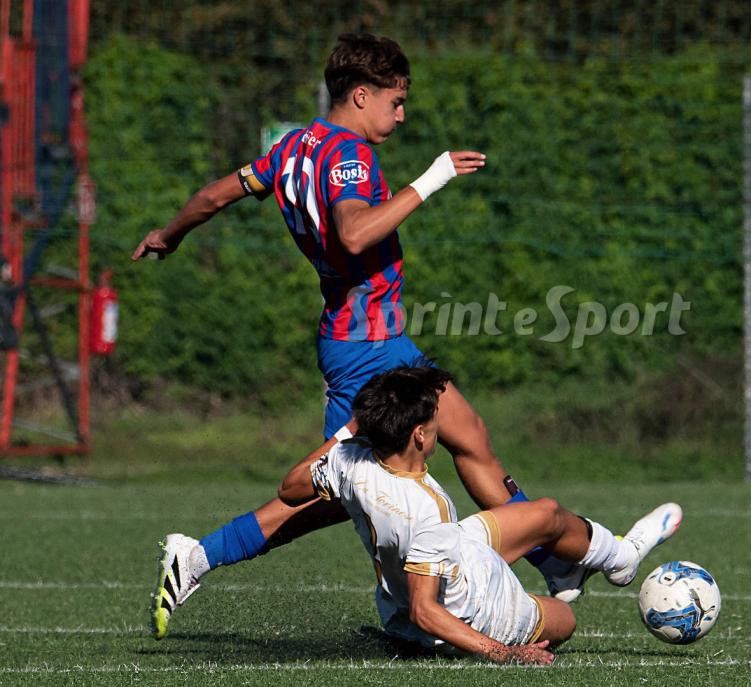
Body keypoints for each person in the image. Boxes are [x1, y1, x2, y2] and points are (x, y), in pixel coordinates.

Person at [139, 34, 585, 639]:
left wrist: (170, 233)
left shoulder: (290, 146)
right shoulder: (351, 157)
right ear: (360, 95)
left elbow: (218, 193)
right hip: (368, 348)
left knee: (467, 438)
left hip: (364, 339)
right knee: (329, 494)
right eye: (395, 102)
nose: (400, 116)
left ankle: (550, 558)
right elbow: (354, 233)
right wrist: (432, 179)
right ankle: (200, 555)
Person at [275, 367, 682, 665]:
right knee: (565, 620)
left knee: (546, 513)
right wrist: (503, 652)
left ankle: (614, 560)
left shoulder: (350, 459)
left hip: (451, 556)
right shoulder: (427, 509)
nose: (440, 423)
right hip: (473, 609)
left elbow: (289, 488)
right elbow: (425, 611)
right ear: (419, 434)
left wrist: (348, 431)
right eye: (434, 417)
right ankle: (555, 586)